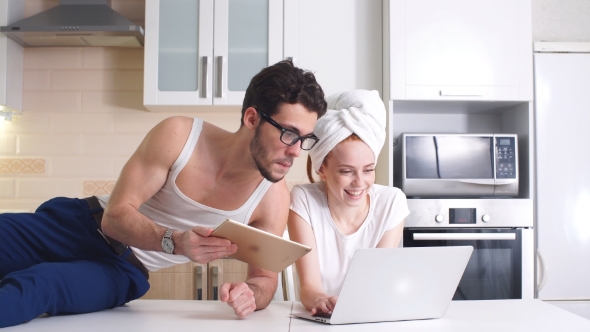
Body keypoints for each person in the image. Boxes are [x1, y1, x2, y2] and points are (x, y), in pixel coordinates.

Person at [0, 59, 327, 328]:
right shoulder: (180, 135)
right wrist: (174, 240)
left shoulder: (273, 197)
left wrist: (250, 293)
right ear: (252, 117)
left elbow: (265, 280)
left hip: (124, 269)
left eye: (305, 139)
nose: (297, 152)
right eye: (288, 134)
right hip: (79, 224)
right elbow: (115, 218)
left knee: (38, 286)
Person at [287, 90, 410, 316]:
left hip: (371, 316)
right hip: (321, 320)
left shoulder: (392, 203)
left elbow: (376, 284)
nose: (359, 183)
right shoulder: (303, 200)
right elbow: (309, 288)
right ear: (322, 169)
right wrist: (320, 299)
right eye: (346, 171)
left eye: (368, 170)